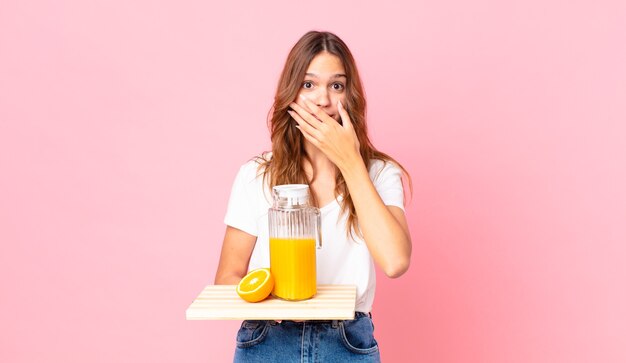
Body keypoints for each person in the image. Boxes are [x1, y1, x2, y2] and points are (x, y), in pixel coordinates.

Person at [214, 30, 412, 362]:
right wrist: (278, 303)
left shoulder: (379, 173)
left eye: (337, 85)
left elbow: (395, 262)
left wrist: (350, 162)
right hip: (268, 339)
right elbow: (227, 279)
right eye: (309, 85)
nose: (323, 100)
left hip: (348, 342)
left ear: (352, 96)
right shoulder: (257, 175)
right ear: (290, 94)